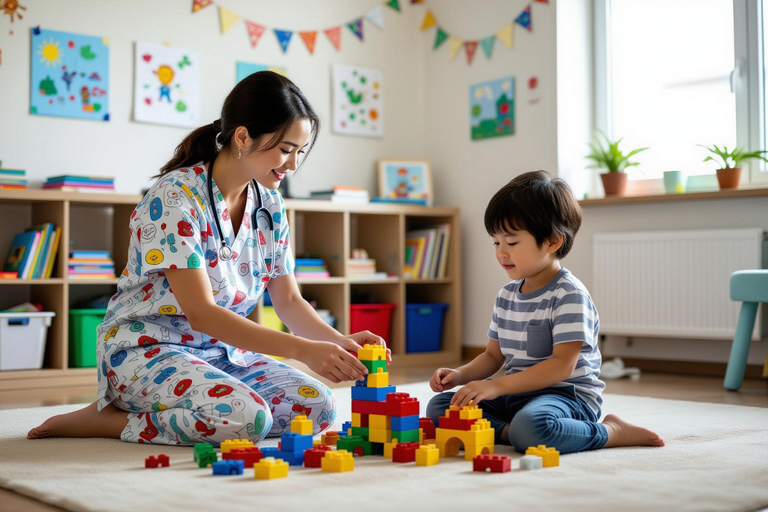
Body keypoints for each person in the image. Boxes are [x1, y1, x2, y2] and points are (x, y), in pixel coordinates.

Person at [28, 71, 390, 446]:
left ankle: (179, 407)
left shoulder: (271, 204)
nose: (293, 165)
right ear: (243, 136)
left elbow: (289, 301)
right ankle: (109, 420)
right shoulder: (174, 198)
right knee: (245, 420)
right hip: (145, 352)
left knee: (320, 408)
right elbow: (200, 312)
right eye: (285, 150)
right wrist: (301, 350)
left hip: (220, 353)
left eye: (300, 151)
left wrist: (338, 345)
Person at [426, 171, 663, 454]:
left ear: (552, 242)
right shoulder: (506, 296)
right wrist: (460, 374)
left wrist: (497, 387)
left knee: (535, 425)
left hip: (567, 397)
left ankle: (610, 431)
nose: (501, 253)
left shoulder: (569, 295)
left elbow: (561, 366)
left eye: (511, 243)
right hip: (516, 396)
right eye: (496, 242)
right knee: (441, 406)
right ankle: (513, 432)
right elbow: (493, 355)